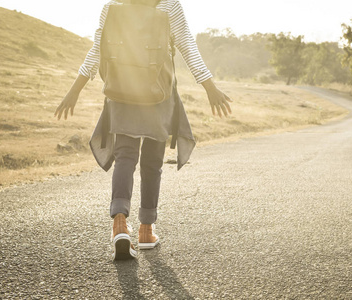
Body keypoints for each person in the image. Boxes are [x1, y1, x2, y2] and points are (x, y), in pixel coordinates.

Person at [55, 0, 232, 260]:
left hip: (121, 91)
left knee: (125, 156)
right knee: (152, 162)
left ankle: (119, 225)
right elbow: (187, 46)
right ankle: (146, 230)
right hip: (158, 95)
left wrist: (74, 91)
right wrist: (210, 87)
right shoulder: (169, 5)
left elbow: (97, 51)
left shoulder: (112, 7)